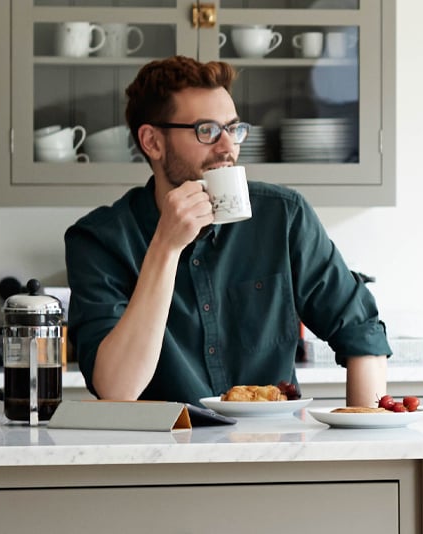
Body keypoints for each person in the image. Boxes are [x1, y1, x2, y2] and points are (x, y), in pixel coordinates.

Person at [65, 55, 390, 407]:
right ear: (152, 142)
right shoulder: (99, 240)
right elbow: (116, 390)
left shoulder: (283, 217)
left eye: (233, 129)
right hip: (162, 453)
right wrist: (166, 246)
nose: (228, 147)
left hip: (273, 448)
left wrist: (363, 439)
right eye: (207, 131)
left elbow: (361, 333)